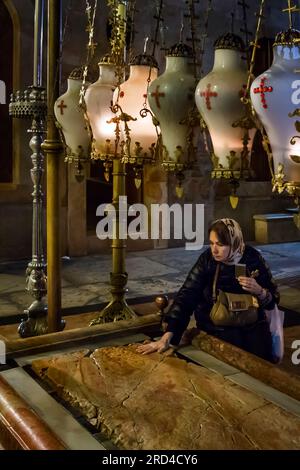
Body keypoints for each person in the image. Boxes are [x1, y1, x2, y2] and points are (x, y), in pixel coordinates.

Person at [137, 218, 279, 362]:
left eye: (220, 244)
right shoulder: (207, 260)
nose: (214, 250)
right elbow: (187, 295)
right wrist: (169, 335)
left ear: (234, 242)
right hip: (216, 331)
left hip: (252, 332)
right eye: (211, 243)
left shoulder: (252, 258)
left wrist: (260, 290)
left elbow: (273, 299)